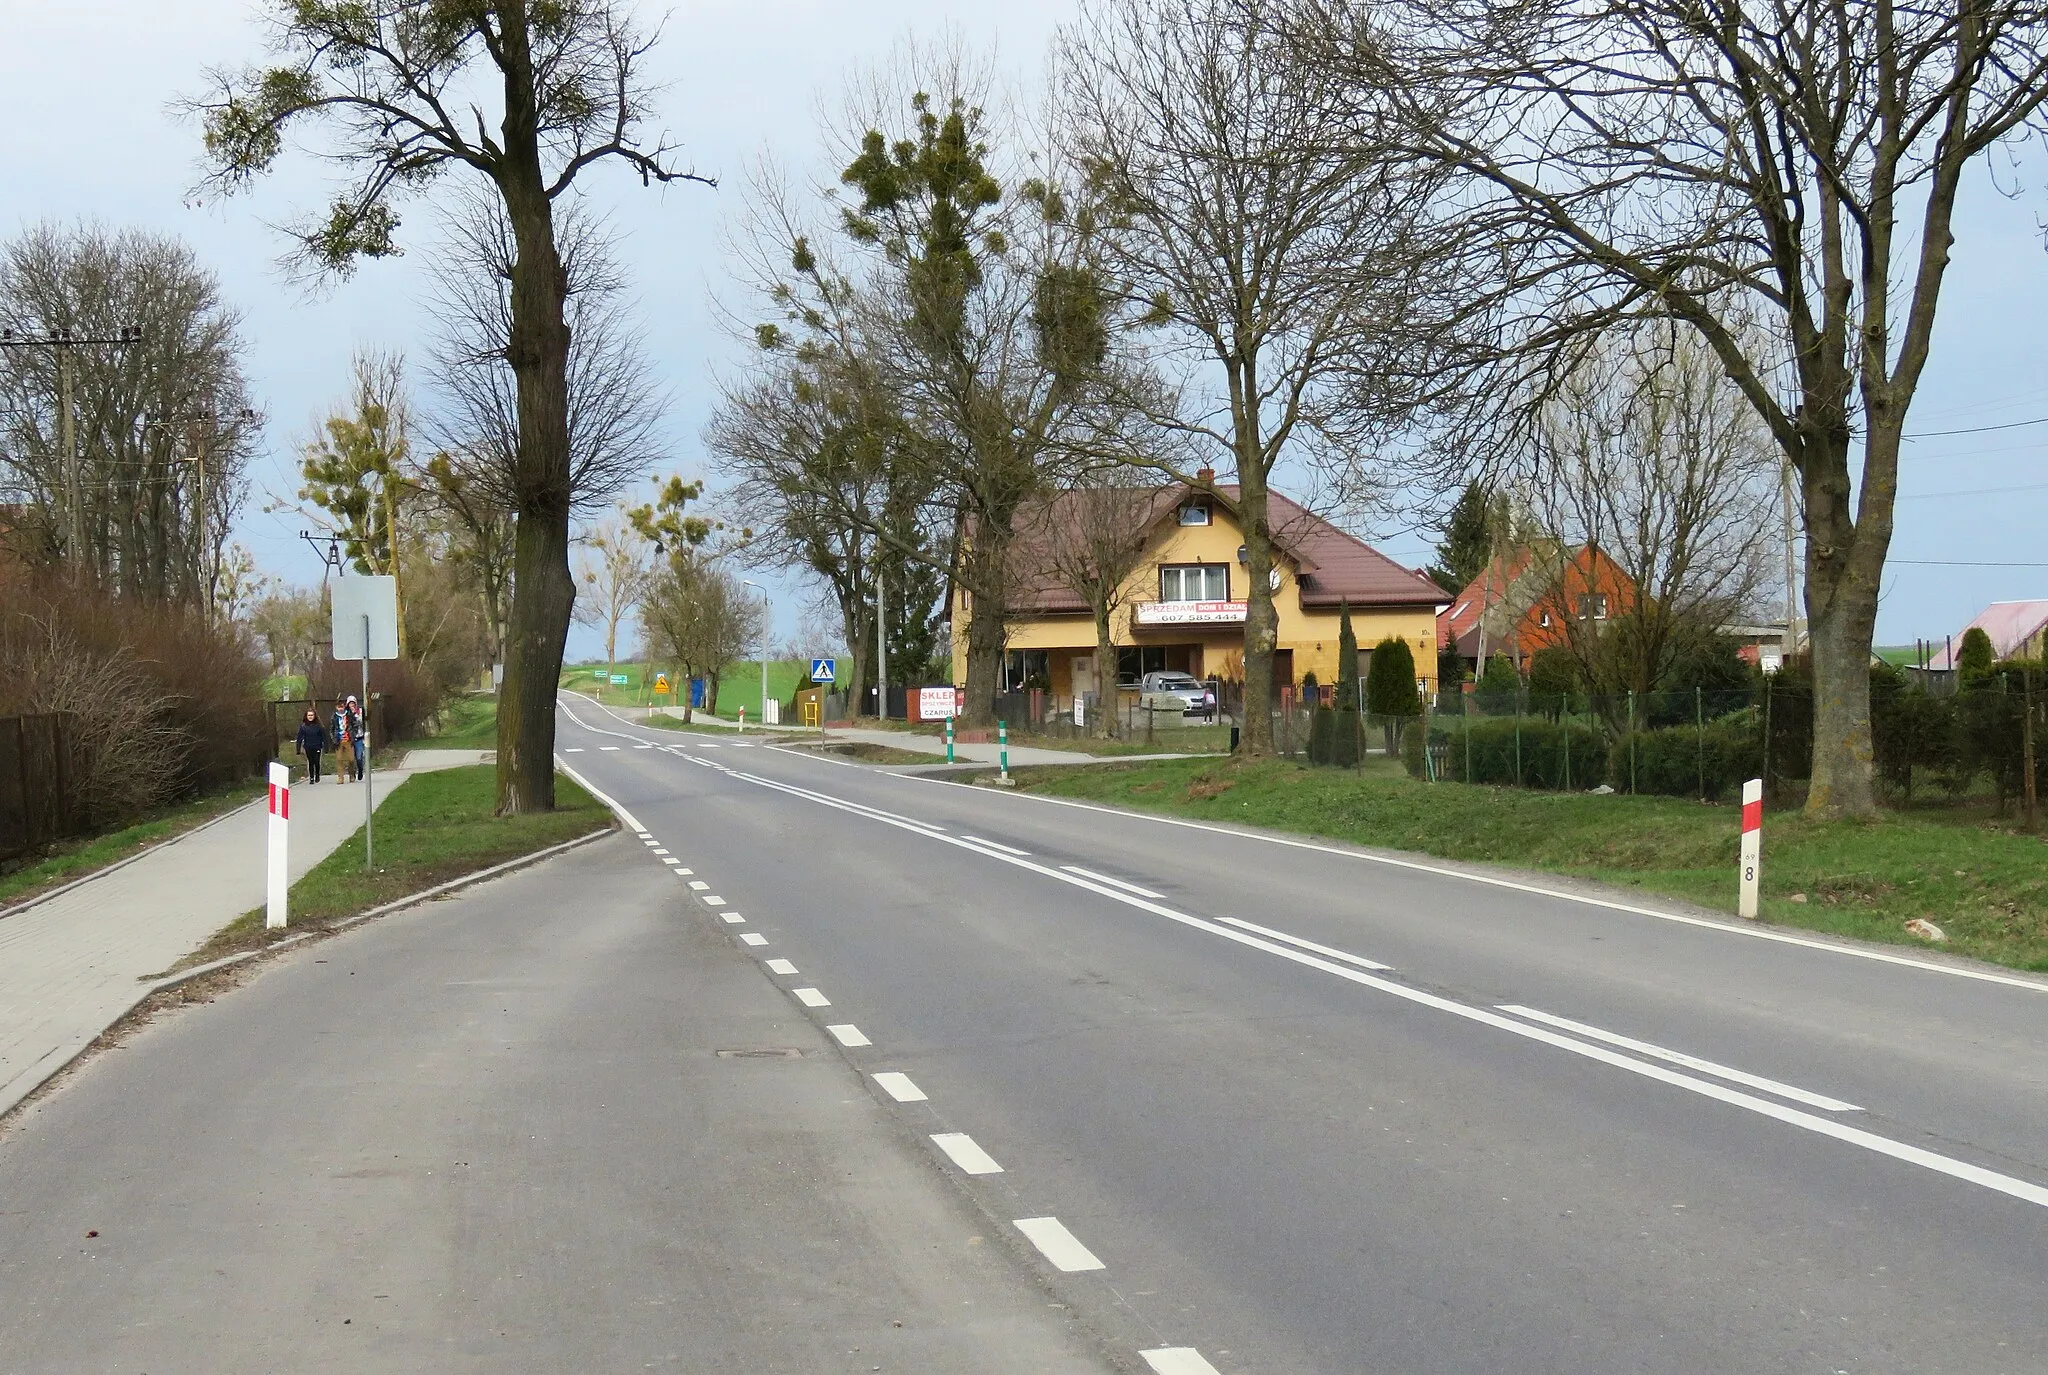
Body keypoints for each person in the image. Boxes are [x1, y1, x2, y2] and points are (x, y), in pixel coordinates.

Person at [294, 709, 328, 784]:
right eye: (309, 715)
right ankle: (311, 777)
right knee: (311, 762)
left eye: (311, 715)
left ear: (314, 716)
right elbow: (299, 738)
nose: (310, 717)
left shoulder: (319, 726)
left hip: (317, 746)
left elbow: (324, 737)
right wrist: (298, 749)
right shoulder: (303, 726)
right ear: (306, 716)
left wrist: (326, 747)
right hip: (308, 746)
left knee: (317, 761)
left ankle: (317, 775)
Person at [331, 700, 356, 783]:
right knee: (339, 759)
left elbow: (355, 725)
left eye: (342, 706)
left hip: (348, 739)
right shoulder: (334, 717)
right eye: (338, 706)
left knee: (351, 759)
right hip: (339, 740)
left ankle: (351, 774)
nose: (340, 708)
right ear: (336, 707)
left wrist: (353, 735)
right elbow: (331, 729)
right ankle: (340, 777)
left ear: (344, 706)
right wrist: (333, 738)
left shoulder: (349, 715)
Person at [345, 695, 367, 782]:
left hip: (360, 737)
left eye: (353, 703)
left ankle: (360, 770)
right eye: (350, 703)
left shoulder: (361, 711)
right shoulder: (346, 713)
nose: (352, 705)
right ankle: (352, 774)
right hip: (350, 739)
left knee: (359, 757)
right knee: (351, 758)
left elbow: (365, 721)